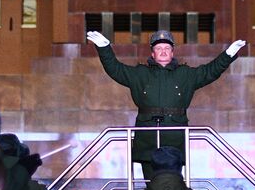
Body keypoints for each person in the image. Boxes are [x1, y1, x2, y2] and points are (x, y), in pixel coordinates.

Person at [86, 29, 245, 180]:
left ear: (172, 52)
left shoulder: (186, 74)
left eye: (167, 48)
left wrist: (228, 54)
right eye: (159, 48)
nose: (163, 51)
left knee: (173, 182)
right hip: (147, 139)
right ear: (152, 53)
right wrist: (104, 47)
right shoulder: (140, 74)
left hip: (174, 139)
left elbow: (211, 71)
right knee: (151, 184)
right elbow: (115, 69)